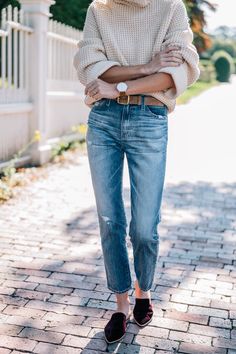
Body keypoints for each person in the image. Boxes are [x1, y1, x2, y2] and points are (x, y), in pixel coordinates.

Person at [73, 0, 200, 344]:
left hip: (149, 119)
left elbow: (178, 71)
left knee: (144, 226)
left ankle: (144, 291)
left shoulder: (170, 8)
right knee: (110, 219)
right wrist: (147, 65)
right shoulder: (99, 9)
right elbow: (90, 68)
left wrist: (120, 86)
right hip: (103, 120)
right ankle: (121, 303)